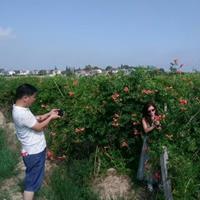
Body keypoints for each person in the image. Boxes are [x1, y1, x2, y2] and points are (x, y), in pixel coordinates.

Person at [12, 83, 60, 200]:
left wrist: (48, 113)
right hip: (34, 152)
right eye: (33, 97)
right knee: (31, 184)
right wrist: (51, 118)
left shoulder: (20, 109)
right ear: (25, 98)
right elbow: (38, 127)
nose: (34, 100)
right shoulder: (21, 113)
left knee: (32, 179)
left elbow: (33, 119)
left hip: (33, 151)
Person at [137, 101, 161, 192]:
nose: (151, 112)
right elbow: (146, 130)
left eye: (153, 110)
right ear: (146, 112)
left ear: (155, 109)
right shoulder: (144, 119)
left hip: (156, 142)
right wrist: (154, 125)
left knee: (157, 162)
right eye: (149, 111)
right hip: (148, 143)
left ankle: (157, 182)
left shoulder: (158, 117)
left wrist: (158, 125)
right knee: (148, 163)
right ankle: (149, 182)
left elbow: (160, 130)